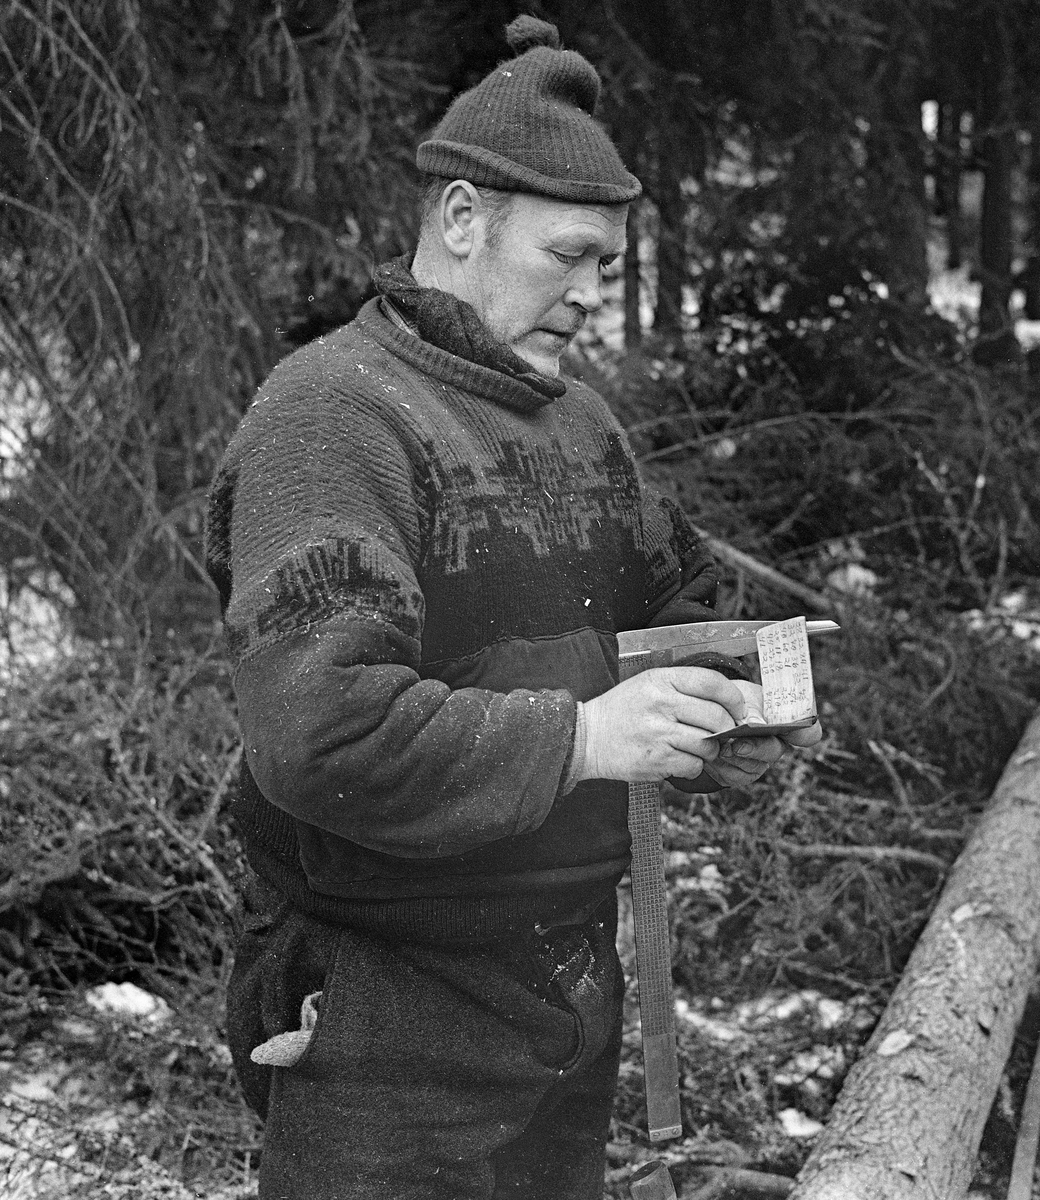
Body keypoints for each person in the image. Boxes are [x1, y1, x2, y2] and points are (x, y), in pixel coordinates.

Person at [205, 15, 821, 1200]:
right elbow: (323, 733)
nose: (592, 296)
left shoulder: (578, 421)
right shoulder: (334, 418)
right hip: (388, 1017)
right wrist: (593, 733)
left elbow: (674, 613)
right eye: (570, 256)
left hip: (566, 993)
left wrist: (725, 715)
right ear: (462, 221)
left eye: (609, 270)